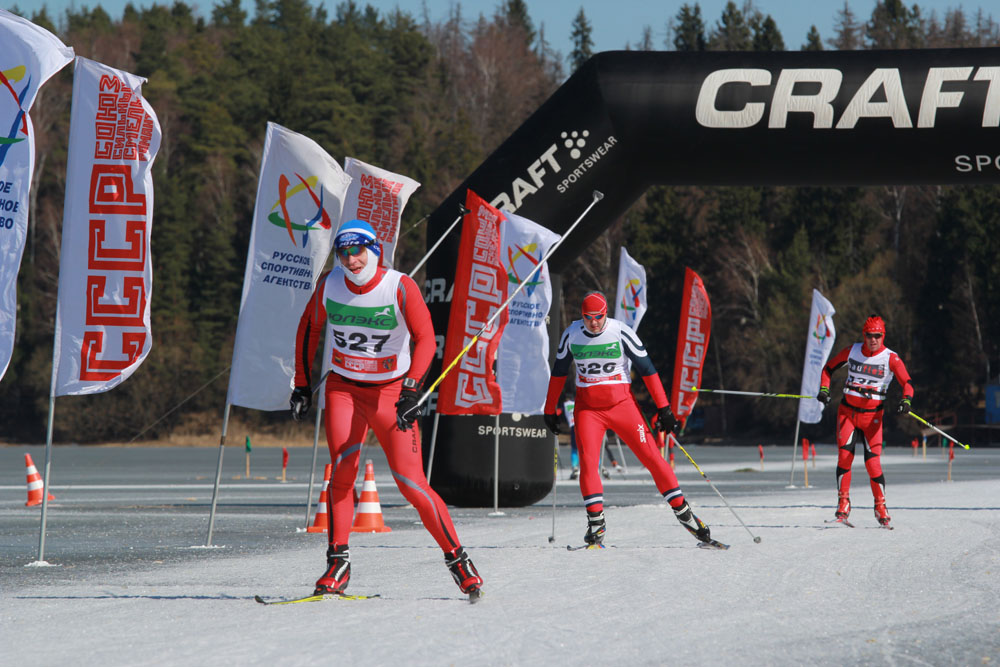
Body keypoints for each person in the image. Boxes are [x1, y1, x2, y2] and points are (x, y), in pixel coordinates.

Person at [290, 220, 483, 600]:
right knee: (342, 474)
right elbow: (308, 328)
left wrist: (412, 389)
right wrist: (301, 383)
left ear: (374, 250)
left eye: (358, 251)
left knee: (412, 484)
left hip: (390, 393)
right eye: (343, 253)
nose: (351, 260)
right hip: (344, 389)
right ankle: (337, 564)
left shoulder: (399, 286)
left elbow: (426, 339)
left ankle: (458, 559)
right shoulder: (329, 284)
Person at [542, 291, 712, 546]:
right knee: (588, 464)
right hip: (588, 411)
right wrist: (549, 409)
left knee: (652, 457)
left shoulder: (620, 332)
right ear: (582, 316)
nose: (594, 323)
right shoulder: (572, 334)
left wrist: (664, 409)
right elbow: (558, 373)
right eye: (588, 318)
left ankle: (684, 513)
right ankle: (596, 524)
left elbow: (648, 370)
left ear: (606, 313)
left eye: (598, 317)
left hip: (622, 407)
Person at [818, 314, 913, 528]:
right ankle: (843, 505)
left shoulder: (890, 358)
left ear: (883, 336)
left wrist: (906, 400)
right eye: (869, 336)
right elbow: (827, 369)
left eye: (878, 336)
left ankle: (880, 507)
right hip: (847, 413)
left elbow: (907, 383)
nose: (873, 340)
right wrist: (824, 390)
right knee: (844, 457)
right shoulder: (852, 351)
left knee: (872, 463)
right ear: (864, 335)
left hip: (872, 417)